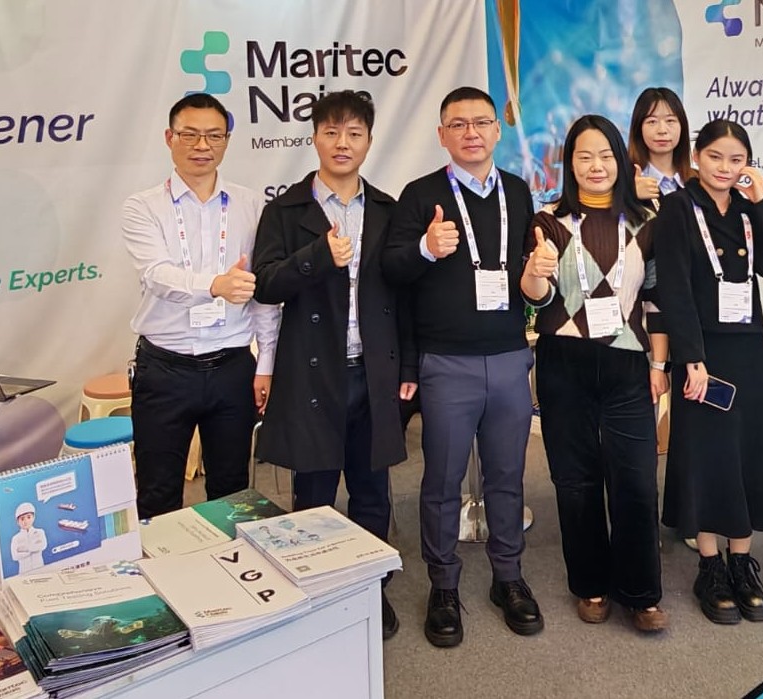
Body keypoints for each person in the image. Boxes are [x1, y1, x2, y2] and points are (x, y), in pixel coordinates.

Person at [382, 86, 540, 648]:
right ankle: (444, 584)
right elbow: (391, 271)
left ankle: (508, 576)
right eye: (458, 124)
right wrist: (426, 247)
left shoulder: (518, 191)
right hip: (446, 362)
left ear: (497, 130)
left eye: (481, 122)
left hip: (509, 357)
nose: (471, 133)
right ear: (442, 134)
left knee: (507, 476)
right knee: (443, 480)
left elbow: (528, 273)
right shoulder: (421, 194)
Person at [252, 90, 412, 640]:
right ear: (315, 137)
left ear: (369, 141)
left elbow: (404, 295)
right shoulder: (285, 211)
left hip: (373, 371)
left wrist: (407, 367)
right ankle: (316, 593)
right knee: (313, 492)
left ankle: (370, 591)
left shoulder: (388, 209)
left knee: (372, 491)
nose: (342, 143)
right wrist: (318, 256)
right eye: (331, 132)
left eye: (354, 133)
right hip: (312, 373)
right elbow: (266, 285)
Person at [520, 114, 668, 632]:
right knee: (575, 480)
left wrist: (658, 364)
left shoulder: (647, 219)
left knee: (636, 479)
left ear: (621, 161)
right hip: (564, 362)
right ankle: (590, 584)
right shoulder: (547, 219)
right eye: (584, 157)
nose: (596, 166)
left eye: (605, 155)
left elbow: (656, 300)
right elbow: (537, 301)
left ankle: (642, 593)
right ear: (570, 164)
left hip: (629, 363)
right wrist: (533, 274)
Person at [656, 119, 763, 626]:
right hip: (703, 352)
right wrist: (689, 358)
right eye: (716, 157)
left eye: (736, 160)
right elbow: (673, 288)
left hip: (749, 347)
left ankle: (742, 563)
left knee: (749, 450)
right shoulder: (676, 208)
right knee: (706, 455)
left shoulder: (748, 209)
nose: (725, 168)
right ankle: (710, 566)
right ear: (697, 157)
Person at [122, 92, 278, 520]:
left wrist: (266, 363)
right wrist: (215, 285)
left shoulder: (251, 205)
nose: (202, 146)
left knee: (233, 491)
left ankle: (230, 562)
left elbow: (262, 292)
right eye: (190, 135)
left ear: (227, 140)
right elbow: (156, 274)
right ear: (169, 138)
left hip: (232, 367)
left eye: (214, 135)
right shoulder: (143, 207)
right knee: (157, 491)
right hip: (165, 369)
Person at [627, 86, 694, 459]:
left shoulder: (697, 182)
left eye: (670, 120)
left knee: (692, 424)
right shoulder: (623, 182)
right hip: (641, 317)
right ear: (639, 127)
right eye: (652, 121)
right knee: (644, 428)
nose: (662, 129)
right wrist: (626, 195)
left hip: (692, 315)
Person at [10, 502, 46, 574]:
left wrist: (25, 549)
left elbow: (42, 546)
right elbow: (15, 556)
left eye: (29, 517)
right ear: (17, 522)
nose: (26, 521)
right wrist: (32, 550)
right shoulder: (16, 538)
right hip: (24, 571)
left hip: (40, 568)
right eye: (22, 519)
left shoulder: (40, 532)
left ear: (33, 517)